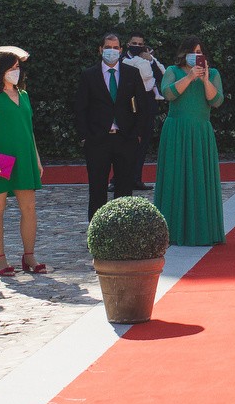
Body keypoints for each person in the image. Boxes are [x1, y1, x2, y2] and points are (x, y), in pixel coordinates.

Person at [0, 46, 47, 275]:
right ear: (0, 70)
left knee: (29, 207)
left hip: (25, 157)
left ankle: (29, 255)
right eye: (11, 67)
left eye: (17, 67)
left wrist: (36, 159)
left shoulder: (24, 95)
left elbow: (30, 130)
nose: (16, 71)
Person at [155, 38, 226, 246]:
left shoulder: (213, 74)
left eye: (200, 52)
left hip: (200, 132)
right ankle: (171, 231)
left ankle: (204, 231)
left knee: (200, 177)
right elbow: (168, 93)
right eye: (193, 52)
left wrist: (204, 80)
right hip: (176, 132)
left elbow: (217, 101)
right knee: (175, 177)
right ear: (184, 53)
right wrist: (189, 76)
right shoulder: (172, 71)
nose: (197, 55)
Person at [75, 33, 153, 218]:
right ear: (101, 49)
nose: (112, 51)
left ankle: (122, 236)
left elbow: (142, 105)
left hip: (125, 139)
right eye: (108, 47)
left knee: (125, 191)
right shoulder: (89, 75)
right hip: (97, 140)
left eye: (115, 47)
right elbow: (80, 108)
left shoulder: (132, 74)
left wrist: (137, 134)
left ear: (120, 50)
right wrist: (85, 136)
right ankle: (97, 236)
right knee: (97, 190)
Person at [122, 34, 162, 192]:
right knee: (125, 142)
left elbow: (161, 76)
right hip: (128, 102)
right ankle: (117, 179)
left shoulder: (149, 59)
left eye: (140, 43)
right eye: (134, 43)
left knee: (143, 141)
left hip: (146, 102)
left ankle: (136, 178)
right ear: (128, 44)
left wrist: (151, 60)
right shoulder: (121, 59)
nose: (137, 46)